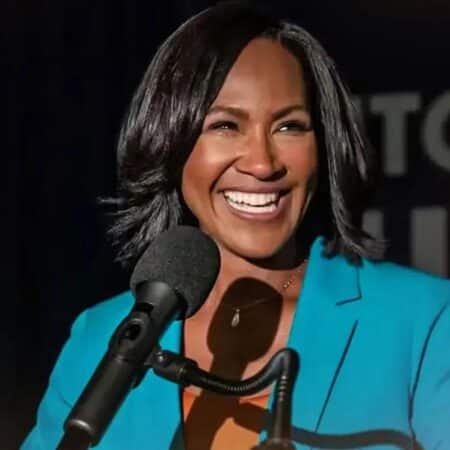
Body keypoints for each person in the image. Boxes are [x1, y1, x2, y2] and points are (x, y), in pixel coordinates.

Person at [22, 2, 450, 450]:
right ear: (170, 140)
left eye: (289, 126)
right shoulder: (97, 340)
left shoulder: (422, 321)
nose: (262, 163)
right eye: (226, 125)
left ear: (324, 146)